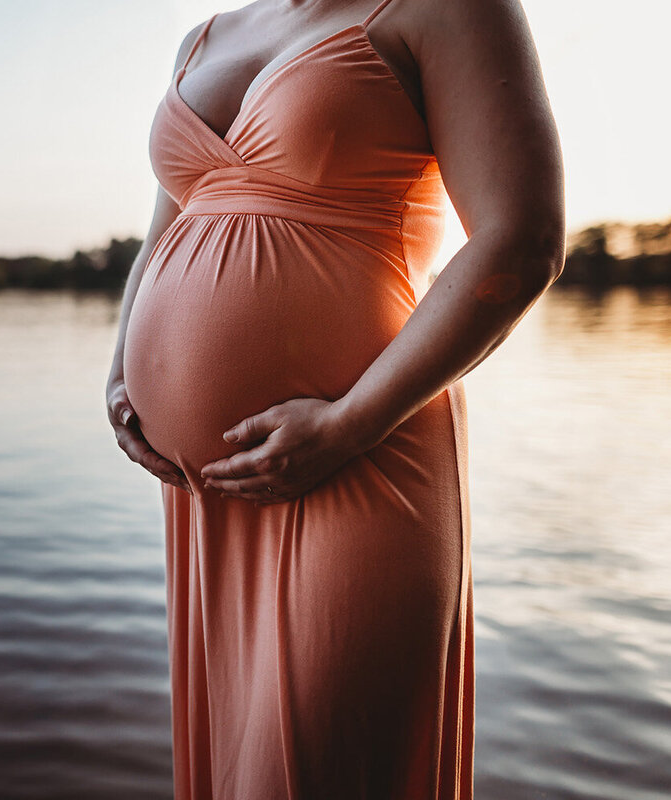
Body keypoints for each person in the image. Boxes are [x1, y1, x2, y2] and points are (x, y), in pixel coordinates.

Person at [106, 0, 564, 796]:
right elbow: (169, 230)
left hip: (360, 462)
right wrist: (123, 373)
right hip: (211, 500)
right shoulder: (204, 38)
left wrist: (349, 424)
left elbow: (520, 239)